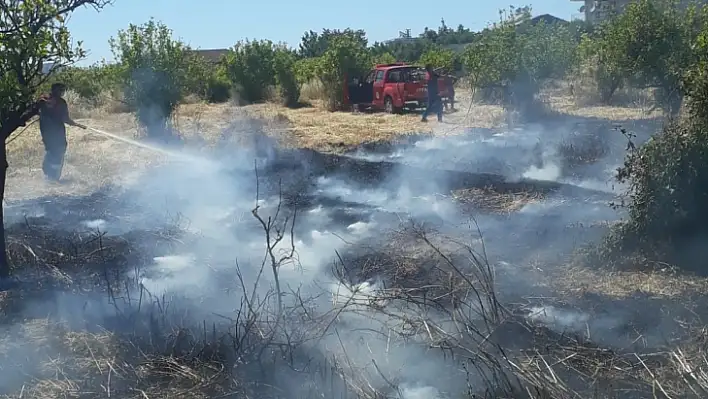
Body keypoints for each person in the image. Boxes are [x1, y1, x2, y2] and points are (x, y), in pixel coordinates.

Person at [34, 83, 85, 181]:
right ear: (57, 90)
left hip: (45, 130)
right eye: (61, 90)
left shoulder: (42, 99)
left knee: (50, 149)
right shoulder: (61, 102)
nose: (62, 92)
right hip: (57, 131)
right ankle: (53, 176)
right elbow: (65, 118)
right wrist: (75, 124)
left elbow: (34, 110)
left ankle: (48, 172)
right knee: (59, 149)